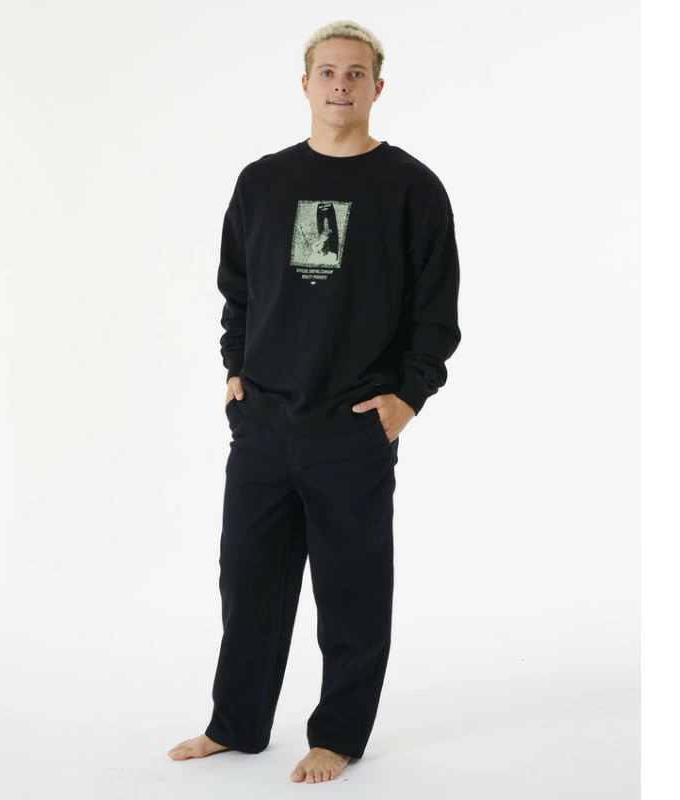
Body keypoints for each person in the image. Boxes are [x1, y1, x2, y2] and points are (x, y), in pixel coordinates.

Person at [167, 19, 461, 784]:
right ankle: (236, 725)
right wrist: (235, 370)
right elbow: (237, 290)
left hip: (352, 429)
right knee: (248, 584)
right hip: (263, 424)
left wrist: (407, 399)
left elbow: (436, 314)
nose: (340, 84)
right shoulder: (261, 182)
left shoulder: (411, 188)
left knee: (351, 593)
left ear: (377, 88)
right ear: (305, 84)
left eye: (356, 73)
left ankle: (338, 736)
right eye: (328, 71)